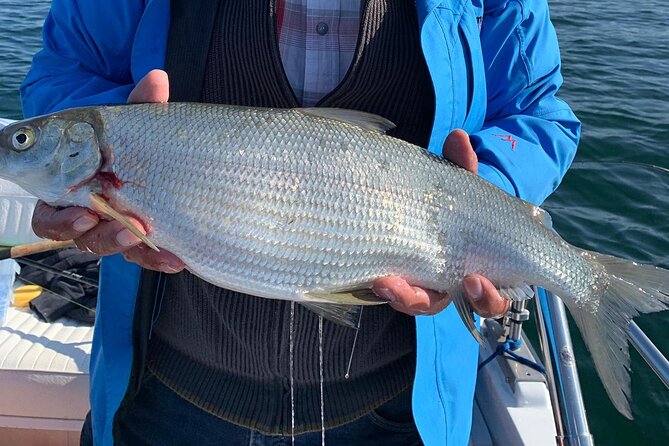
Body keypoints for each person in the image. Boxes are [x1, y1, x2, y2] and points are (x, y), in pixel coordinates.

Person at [21, 0, 580, 445]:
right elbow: (64, 74)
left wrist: (483, 198)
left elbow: (537, 112)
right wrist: (121, 151)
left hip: (399, 412)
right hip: (166, 399)